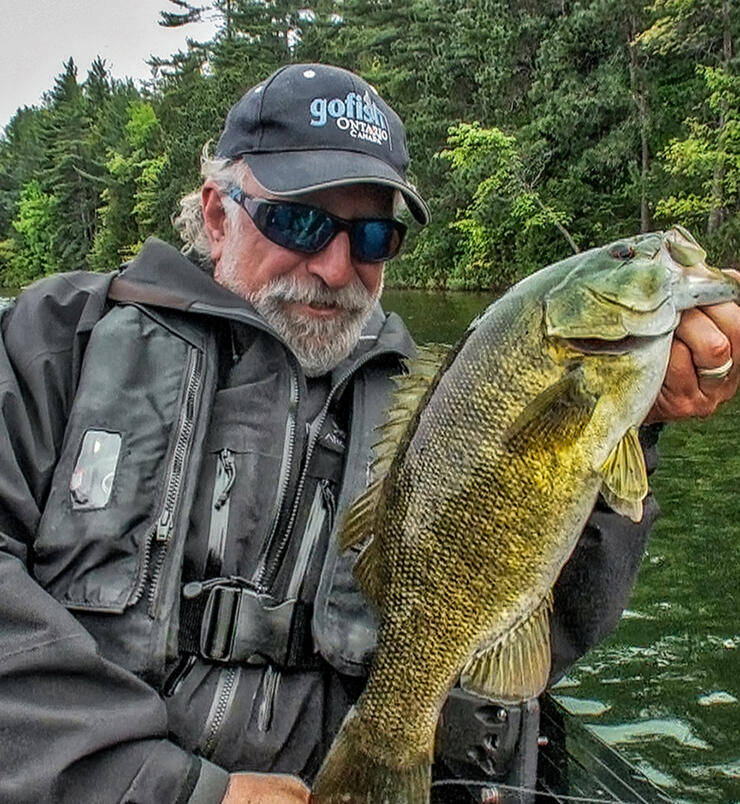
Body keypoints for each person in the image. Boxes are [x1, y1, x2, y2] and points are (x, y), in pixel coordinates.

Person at [0, 63, 737, 804]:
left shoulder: (436, 405)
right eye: (297, 220)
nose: (333, 266)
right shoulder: (56, 341)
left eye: (373, 235)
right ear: (217, 213)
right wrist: (172, 791)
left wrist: (634, 425)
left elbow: (538, 625)